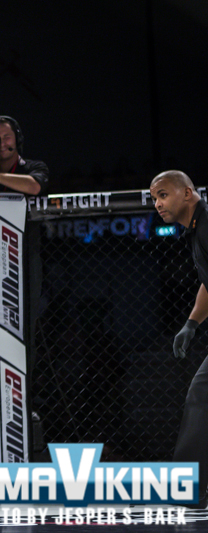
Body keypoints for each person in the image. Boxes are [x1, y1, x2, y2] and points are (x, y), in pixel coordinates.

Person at [150, 170, 208, 508]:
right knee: (202, 394)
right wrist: (191, 323)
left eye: (163, 195)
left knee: (202, 393)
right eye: (154, 198)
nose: (157, 204)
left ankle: (187, 487)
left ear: (187, 193)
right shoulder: (198, 228)